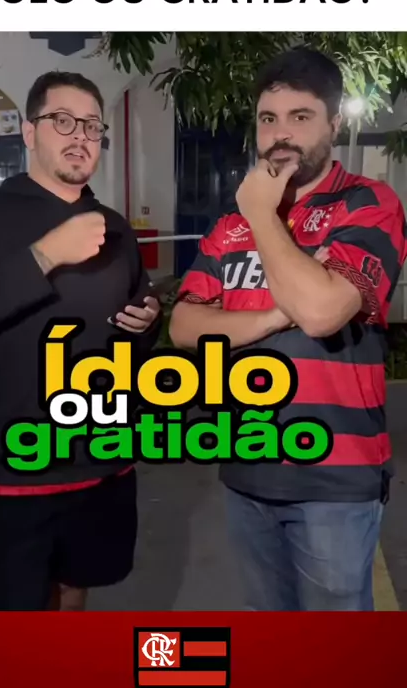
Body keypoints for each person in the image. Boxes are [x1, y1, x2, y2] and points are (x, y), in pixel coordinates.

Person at [169, 47, 407, 611]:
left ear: (334, 123)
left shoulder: (367, 204)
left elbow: (323, 312)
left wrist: (261, 215)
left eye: (301, 117)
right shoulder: (229, 226)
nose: (281, 134)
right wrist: (280, 312)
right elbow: (185, 326)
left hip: (335, 480)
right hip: (247, 467)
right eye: (268, 118)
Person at [0, 71, 161, 612]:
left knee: (75, 592)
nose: (80, 136)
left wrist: (146, 322)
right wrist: (44, 255)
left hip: (99, 465)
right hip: (6, 478)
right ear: (29, 132)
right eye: (63, 121)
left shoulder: (114, 227)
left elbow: (130, 337)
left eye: (92, 125)